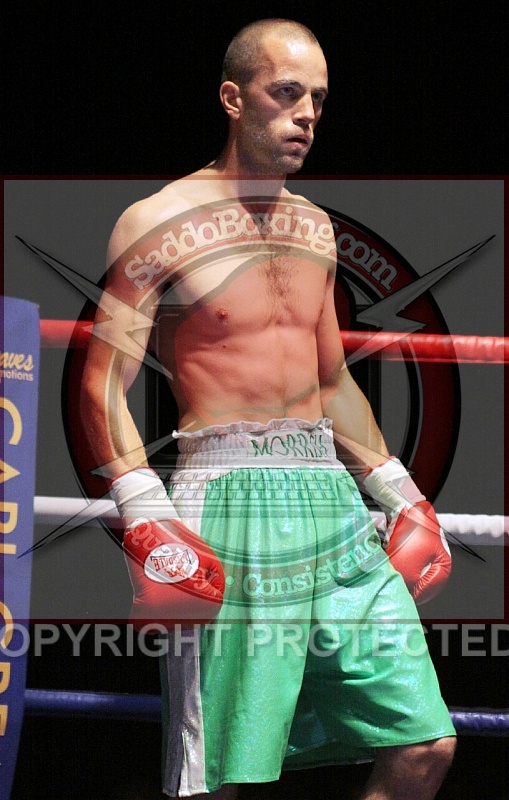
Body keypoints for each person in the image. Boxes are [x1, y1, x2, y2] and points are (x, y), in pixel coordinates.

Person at [80, 18, 456, 800]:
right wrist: (145, 512)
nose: (306, 114)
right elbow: (101, 382)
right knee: (217, 776)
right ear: (232, 98)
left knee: (424, 745)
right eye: (285, 93)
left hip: (330, 499)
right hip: (224, 497)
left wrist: (400, 493)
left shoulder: (314, 226)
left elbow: (329, 381)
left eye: (317, 98)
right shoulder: (156, 221)